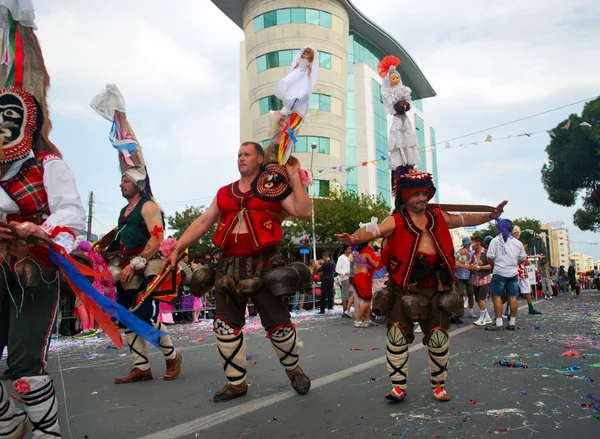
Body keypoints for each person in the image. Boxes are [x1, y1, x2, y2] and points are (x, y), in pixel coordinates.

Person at [336, 171, 507, 402]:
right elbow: (375, 230)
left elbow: (464, 219)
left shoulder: (438, 215)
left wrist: (490, 215)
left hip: (437, 286)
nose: (421, 198)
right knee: (396, 336)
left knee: (438, 338)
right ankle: (398, 387)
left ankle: (438, 386)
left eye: (424, 193)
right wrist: (355, 239)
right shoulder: (396, 219)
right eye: (416, 194)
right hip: (403, 286)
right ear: (405, 198)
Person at [163, 142, 312, 403]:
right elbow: (203, 221)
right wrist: (177, 248)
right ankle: (236, 382)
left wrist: (295, 175)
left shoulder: (273, 188)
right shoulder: (224, 193)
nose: (241, 158)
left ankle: (293, 369)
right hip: (227, 267)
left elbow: (303, 210)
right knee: (225, 326)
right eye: (239, 155)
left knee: (279, 325)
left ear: (259, 159)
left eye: (246, 154)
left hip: (265, 266)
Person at [0, 4, 87, 436]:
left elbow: (71, 212)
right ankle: (11, 422)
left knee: (22, 363)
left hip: (34, 266)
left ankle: (46, 434)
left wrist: (43, 230)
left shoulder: (48, 164)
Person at [90, 84, 182, 384]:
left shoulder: (148, 205)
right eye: (120, 181)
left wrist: (135, 264)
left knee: (145, 315)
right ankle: (141, 367)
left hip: (143, 269)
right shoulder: (125, 211)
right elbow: (121, 238)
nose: (120, 185)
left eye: (125, 181)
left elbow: (157, 238)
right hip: (125, 267)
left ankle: (171, 356)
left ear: (137, 184)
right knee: (126, 316)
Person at [485, 219, 527, 331]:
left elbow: (489, 257)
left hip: (499, 272)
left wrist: (494, 266)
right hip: (513, 273)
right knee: (513, 297)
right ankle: (512, 322)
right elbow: (523, 258)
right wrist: (514, 263)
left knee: (497, 296)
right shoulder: (518, 243)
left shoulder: (495, 241)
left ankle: (498, 322)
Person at [351, 241, 380, 328]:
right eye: (371, 243)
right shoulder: (366, 253)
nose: (373, 245)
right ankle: (358, 320)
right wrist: (379, 255)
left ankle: (367, 320)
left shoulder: (357, 254)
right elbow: (376, 264)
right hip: (363, 278)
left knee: (366, 299)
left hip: (357, 277)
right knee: (367, 300)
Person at [470, 236, 493, 326]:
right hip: (476, 279)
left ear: (478, 244)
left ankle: (482, 318)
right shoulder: (473, 255)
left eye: (473, 243)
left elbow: (491, 266)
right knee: (477, 299)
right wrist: (469, 267)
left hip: (485, 278)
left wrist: (479, 267)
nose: (471, 246)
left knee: (481, 298)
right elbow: (470, 265)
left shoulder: (486, 253)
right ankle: (487, 317)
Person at [454, 237, 476, 322]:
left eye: (467, 245)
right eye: (465, 246)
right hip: (460, 275)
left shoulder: (472, 253)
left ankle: (471, 311)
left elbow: (475, 262)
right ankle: (459, 312)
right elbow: (454, 261)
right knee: (460, 294)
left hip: (469, 276)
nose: (466, 247)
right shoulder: (458, 252)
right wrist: (460, 254)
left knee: (470, 294)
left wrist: (468, 255)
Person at [336, 245, 352, 318]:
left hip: (351, 278)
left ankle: (348, 310)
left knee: (351, 295)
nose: (351, 250)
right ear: (345, 250)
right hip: (345, 278)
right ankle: (344, 311)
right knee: (345, 295)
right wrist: (344, 272)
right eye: (349, 248)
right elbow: (337, 269)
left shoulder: (351, 257)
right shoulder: (341, 258)